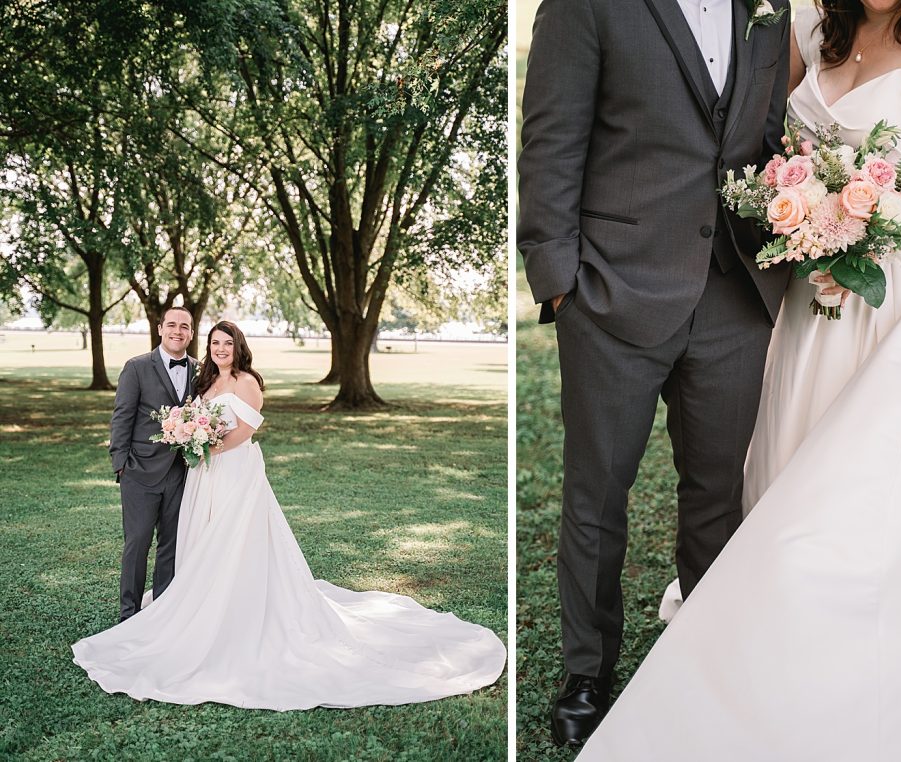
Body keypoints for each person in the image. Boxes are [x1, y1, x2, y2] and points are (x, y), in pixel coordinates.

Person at [576, 1, 901, 758]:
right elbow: (758, 132)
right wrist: (811, 221)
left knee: (871, 477)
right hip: (815, 289)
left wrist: (873, 233)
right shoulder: (813, 27)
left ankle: (863, 613)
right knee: (792, 459)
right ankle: (773, 613)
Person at [517, 0, 792, 747]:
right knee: (598, 494)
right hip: (613, 292)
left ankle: (704, 661)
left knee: (718, 495)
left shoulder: (769, 7)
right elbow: (550, 140)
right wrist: (559, 282)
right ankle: (585, 673)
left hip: (735, 292)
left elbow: (766, 141)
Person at [73, 321, 506, 710]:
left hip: (233, 473)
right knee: (192, 541)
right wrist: (188, 441)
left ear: (239, 347)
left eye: (227, 343)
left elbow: (245, 430)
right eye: (215, 343)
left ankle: (232, 612)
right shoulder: (202, 379)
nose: (220, 349)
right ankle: (164, 606)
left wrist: (202, 445)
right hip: (201, 475)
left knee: (232, 541)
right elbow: (147, 415)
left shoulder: (247, 383)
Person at [109, 306, 196, 622]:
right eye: (171, 325)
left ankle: (162, 612)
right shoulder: (137, 367)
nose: (177, 331)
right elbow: (122, 417)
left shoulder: (200, 371)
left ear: (191, 332)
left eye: (184, 326)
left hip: (181, 473)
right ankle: (128, 613)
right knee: (137, 544)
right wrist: (121, 464)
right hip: (140, 473)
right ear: (160, 329)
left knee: (171, 547)